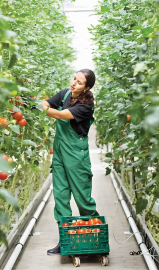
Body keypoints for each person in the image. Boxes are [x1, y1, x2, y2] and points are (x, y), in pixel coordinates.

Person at [41, 69, 100, 256]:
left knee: (83, 198)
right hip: (59, 153)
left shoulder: (86, 106)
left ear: (87, 87)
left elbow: (59, 115)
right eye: (74, 78)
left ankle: (95, 238)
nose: (74, 83)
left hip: (76, 155)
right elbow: (47, 103)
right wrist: (38, 104)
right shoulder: (65, 94)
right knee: (60, 197)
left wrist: (39, 108)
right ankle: (65, 241)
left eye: (80, 82)